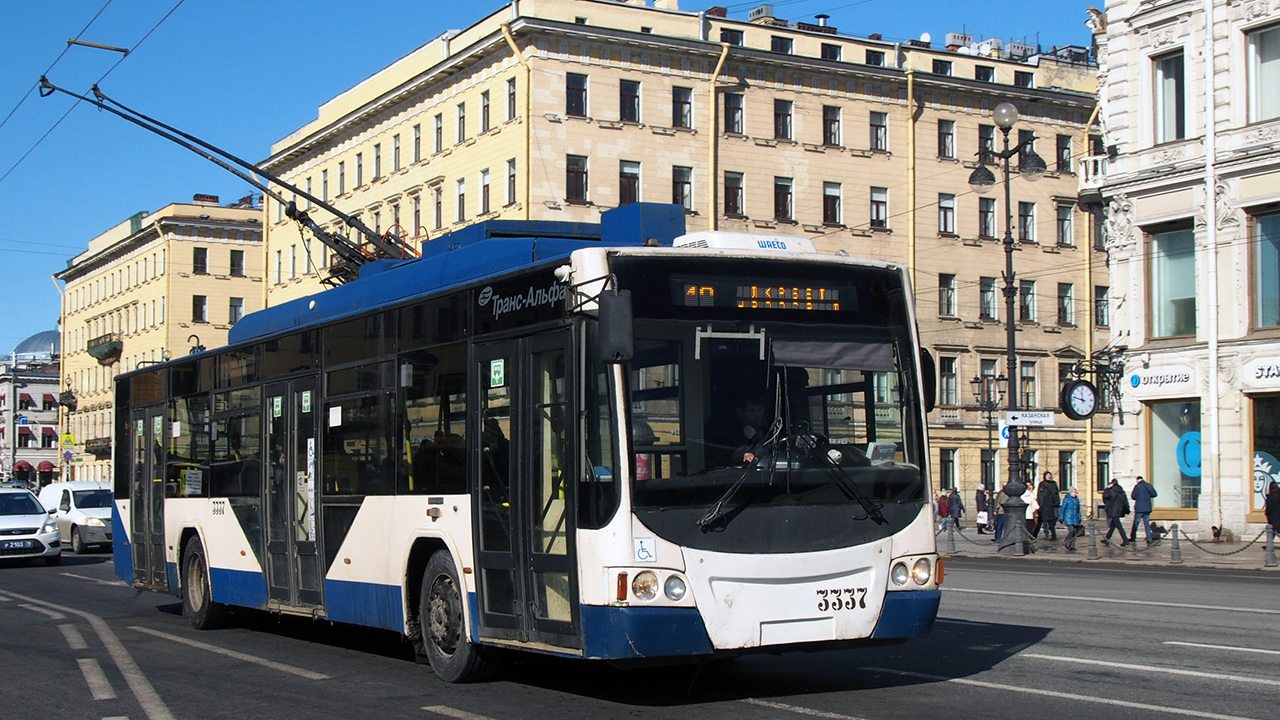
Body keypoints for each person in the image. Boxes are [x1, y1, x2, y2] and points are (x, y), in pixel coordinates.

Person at [1129, 475, 1158, 545]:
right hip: (1147, 507)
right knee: (1146, 523)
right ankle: (1149, 538)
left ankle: (1133, 536)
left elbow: (1133, 496)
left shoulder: (1137, 487)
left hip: (1139, 508)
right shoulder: (1149, 485)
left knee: (1136, 522)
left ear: (1137, 480)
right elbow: (1154, 494)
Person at [1102, 478, 1131, 547]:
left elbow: (1105, 497)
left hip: (1113, 510)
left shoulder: (1112, 491)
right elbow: (1125, 502)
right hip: (1119, 510)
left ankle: (1125, 540)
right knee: (1113, 525)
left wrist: (1107, 489)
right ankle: (1107, 538)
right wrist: (1127, 510)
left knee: (1119, 526)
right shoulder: (1121, 491)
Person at [1037, 471, 1061, 541]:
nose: (1049, 476)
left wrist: (1057, 502)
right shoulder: (1042, 484)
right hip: (1044, 505)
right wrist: (1040, 505)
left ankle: (1053, 535)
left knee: (1053, 519)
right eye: (1048, 475)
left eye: (1050, 475)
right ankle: (1035, 535)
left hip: (1053, 505)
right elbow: (1040, 496)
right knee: (1041, 521)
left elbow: (1056, 494)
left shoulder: (1054, 484)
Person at [1059, 486, 1083, 552]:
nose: (1075, 493)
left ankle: (1072, 545)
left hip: (1075, 518)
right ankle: (1067, 541)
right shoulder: (1067, 499)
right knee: (1071, 530)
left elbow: (1078, 510)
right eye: (1073, 492)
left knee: (1075, 532)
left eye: (1075, 492)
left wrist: (1080, 517)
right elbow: (1063, 508)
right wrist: (1061, 517)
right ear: (1070, 492)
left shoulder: (1076, 499)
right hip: (1068, 517)